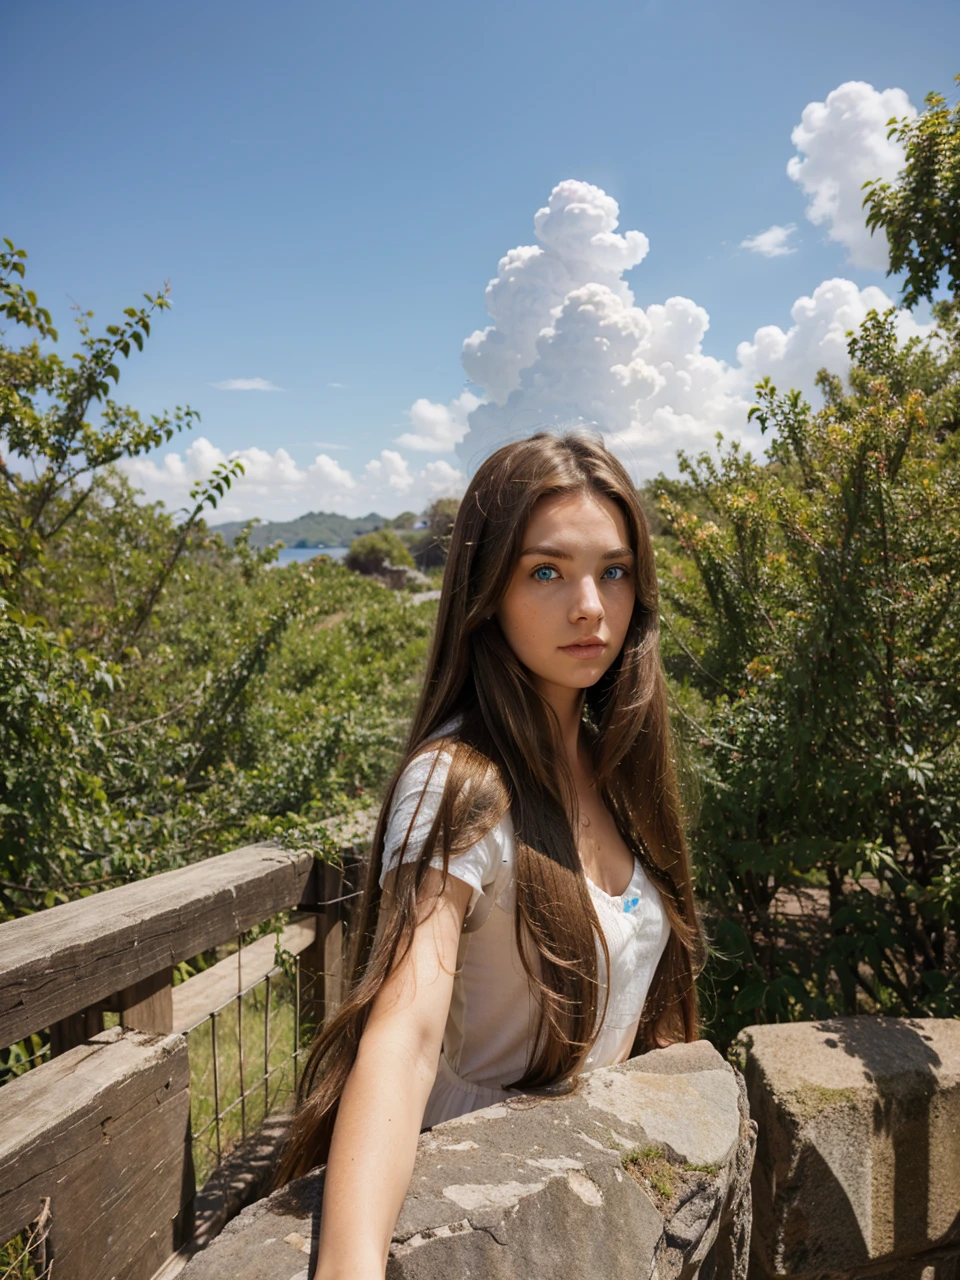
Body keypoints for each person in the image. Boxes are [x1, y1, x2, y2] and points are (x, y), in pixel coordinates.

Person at [275, 431, 704, 1279]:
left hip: (592, 1212)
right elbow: (405, 1025)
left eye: (614, 571)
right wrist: (350, 1269)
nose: (590, 605)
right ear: (488, 592)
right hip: (488, 1226)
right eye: (547, 571)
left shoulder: (612, 761)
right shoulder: (456, 781)